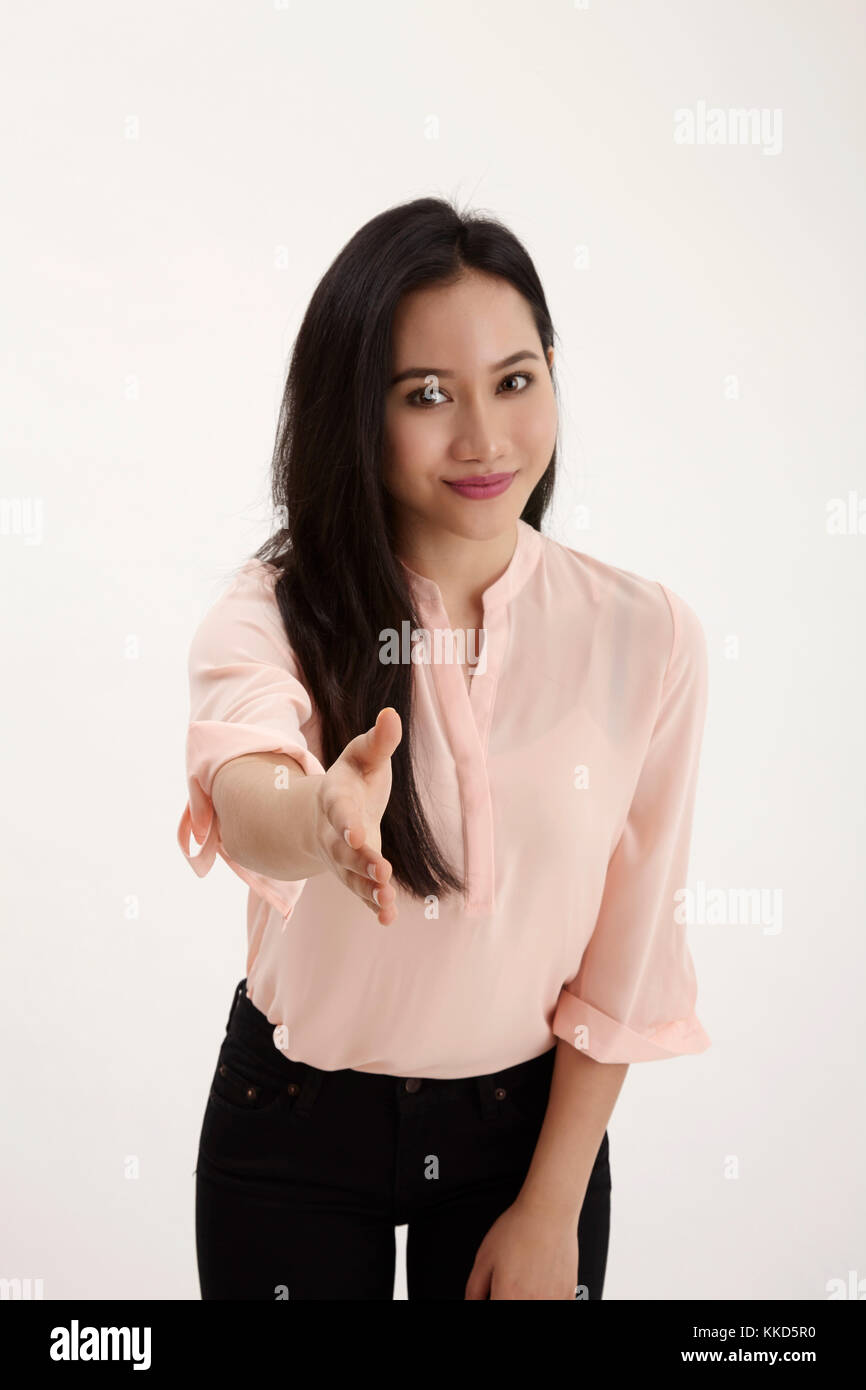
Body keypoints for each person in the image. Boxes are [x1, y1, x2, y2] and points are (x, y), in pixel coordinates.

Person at [178, 196, 711, 1301]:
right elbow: (245, 789)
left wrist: (550, 1204)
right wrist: (320, 822)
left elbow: (626, 947)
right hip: (292, 1128)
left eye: (514, 381)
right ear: (354, 411)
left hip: (524, 1141)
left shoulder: (644, 634)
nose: (482, 439)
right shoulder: (272, 607)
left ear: (552, 375)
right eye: (426, 395)